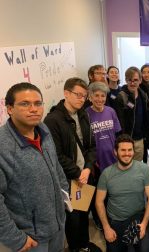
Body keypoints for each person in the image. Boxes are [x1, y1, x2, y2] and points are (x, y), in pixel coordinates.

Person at [0, 83, 68, 251]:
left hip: (58, 225)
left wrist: (64, 196)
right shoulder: (3, 146)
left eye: (38, 103)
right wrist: (16, 239)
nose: (33, 109)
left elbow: (56, 166)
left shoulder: (43, 129)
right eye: (25, 104)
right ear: (9, 108)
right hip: (31, 238)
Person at [44, 78, 100, 252]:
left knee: (83, 212)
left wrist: (88, 167)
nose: (82, 99)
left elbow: (91, 145)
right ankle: (76, 248)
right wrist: (78, 172)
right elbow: (56, 155)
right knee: (73, 218)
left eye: (84, 96)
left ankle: (84, 245)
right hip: (69, 179)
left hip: (85, 173)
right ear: (66, 93)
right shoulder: (52, 120)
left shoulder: (83, 113)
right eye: (78, 95)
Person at [95, 134, 149, 252]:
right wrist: (106, 227)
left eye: (130, 150)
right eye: (123, 150)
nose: (127, 154)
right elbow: (99, 201)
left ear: (134, 151)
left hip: (138, 216)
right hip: (116, 219)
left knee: (146, 249)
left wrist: (144, 223)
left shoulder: (144, 170)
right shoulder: (106, 174)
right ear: (115, 152)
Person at [115, 66, 149, 161]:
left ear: (140, 80)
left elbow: (146, 119)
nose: (132, 83)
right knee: (125, 167)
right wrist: (123, 140)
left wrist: (148, 137)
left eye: (135, 80)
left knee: (137, 166)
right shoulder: (121, 97)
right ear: (126, 80)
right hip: (126, 140)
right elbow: (119, 122)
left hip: (140, 139)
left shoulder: (143, 95)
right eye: (130, 80)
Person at [86, 82, 121, 171]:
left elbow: (118, 135)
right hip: (97, 159)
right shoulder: (86, 114)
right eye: (96, 95)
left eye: (103, 96)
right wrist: (91, 160)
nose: (100, 99)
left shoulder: (111, 111)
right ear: (90, 96)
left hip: (113, 156)